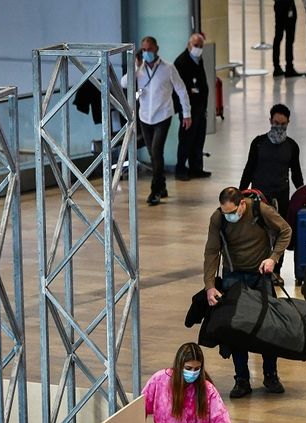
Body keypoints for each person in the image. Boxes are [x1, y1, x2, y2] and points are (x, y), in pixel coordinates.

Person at [203, 187, 292, 398]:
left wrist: (273, 258)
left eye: (232, 211)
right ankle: (241, 378)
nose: (229, 216)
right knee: (237, 329)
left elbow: (286, 230)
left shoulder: (260, 210)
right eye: (225, 212)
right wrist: (210, 285)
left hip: (260, 275)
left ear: (242, 204)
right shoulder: (218, 218)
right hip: (233, 276)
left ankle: (271, 375)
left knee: (268, 326)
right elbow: (211, 251)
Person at [238, 103, 304, 287]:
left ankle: (276, 270)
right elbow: (249, 169)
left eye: (283, 124)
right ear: (270, 121)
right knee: (259, 233)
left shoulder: (292, 147)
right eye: (276, 123)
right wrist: (240, 192)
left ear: (288, 123)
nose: (279, 127)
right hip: (259, 197)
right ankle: (257, 267)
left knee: (279, 233)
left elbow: (296, 174)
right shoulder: (258, 143)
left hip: (281, 196)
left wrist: (303, 193)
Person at [123, 36, 191, 207]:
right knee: (154, 154)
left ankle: (155, 190)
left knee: (156, 150)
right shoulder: (139, 70)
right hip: (145, 116)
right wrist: (135, 65)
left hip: (163, 115)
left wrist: (187, 113)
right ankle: (162, 186)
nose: (147, 53)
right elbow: (124, 83)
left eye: (149, 49)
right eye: (144, 50)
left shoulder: (168, 68)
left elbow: (181, 90)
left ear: (157, 49)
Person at [173, 33, 212, 181]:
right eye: (196, 46)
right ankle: (181, 169)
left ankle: (196, 168)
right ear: (189, 45)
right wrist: (184, 112)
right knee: (186, 139)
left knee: (198, 139)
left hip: (200, 107)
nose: (198, 49)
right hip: (188, 109)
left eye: (201, 46)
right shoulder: (182, 62)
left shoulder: (198, 59)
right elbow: (179, 90)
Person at [273, 0, 302, 77]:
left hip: (279, 5)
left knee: (278, 37)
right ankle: (289, 67)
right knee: (289, 39)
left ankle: (276, 67)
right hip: (289, 6)